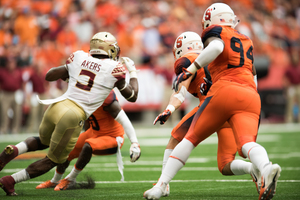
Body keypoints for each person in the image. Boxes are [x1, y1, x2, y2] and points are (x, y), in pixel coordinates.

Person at [144, 3, 281, 200]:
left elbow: (182, 91)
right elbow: (253, 75)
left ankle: (161, 185)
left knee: (185, 138)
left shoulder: (195, 54)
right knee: (235, 154)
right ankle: (264, 167)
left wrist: (171, 105)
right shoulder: (246, 40)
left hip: (220, 98)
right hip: (249, 96)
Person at [0, 31, 139, 196]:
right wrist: (133, 72)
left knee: (44, 141)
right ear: (110, 49)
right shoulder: (115, 69)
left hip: (56, 106)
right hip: (74, 114)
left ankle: (14, 150)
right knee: (53, 159)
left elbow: (49, 75)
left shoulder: (79, 57)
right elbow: (132, 96)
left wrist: (70, 74)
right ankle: (11, 180)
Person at [150, 31, 261, 197]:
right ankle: (253, 168)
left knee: (177, 137)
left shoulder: (186, 60)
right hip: (232, 110)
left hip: (212, 107)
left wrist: (169, 109)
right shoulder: (218, 55)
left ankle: (163, 184)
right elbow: (252, 70)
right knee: (225, 164)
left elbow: (180, 92)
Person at [35, 90, 140, 191]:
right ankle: (55, 180)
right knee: (66, 147)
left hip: (113, 137)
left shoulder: (105, 94)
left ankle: (71, 179)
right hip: (94, 132)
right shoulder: (84, 91)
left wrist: (134, 142)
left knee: (88, 145)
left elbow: (124, 120)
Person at [0, 56, 24, 134]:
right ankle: (4, 129)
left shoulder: (18, 71)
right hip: (5, 94)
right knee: (4, 112)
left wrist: (23, 93)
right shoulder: (2, 71)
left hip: (16, 94)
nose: (11, 65)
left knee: (17, 112)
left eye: (12, 63)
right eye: (9, 63)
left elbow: (22, 83)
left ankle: (15, 129)